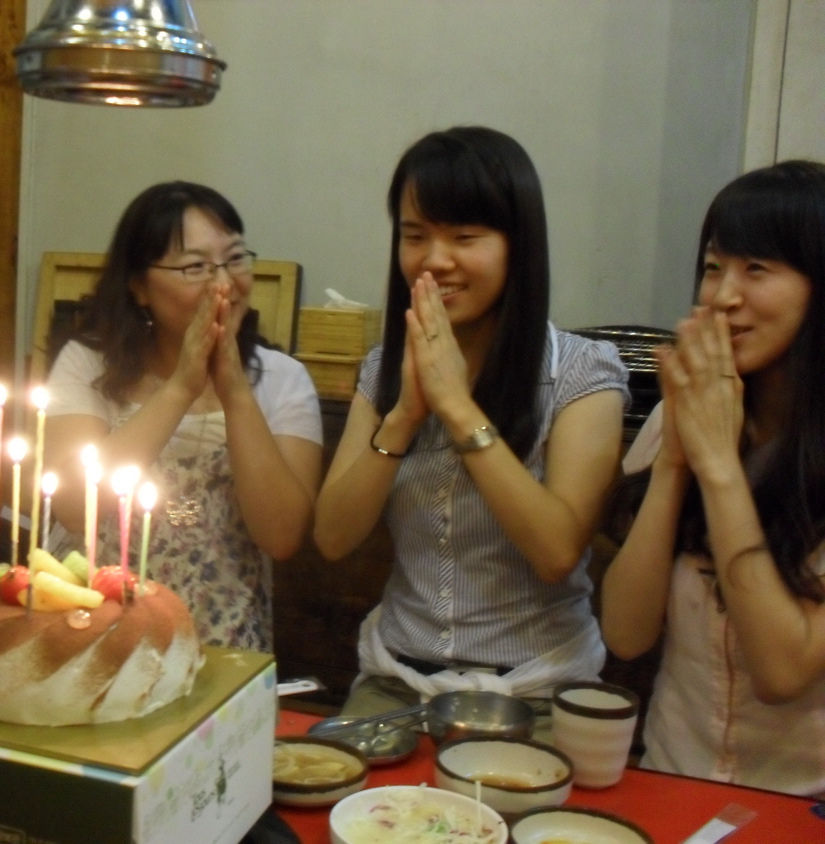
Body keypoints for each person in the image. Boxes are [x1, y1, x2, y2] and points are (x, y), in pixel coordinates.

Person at [314, 127, 629, 714]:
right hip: (395, 679)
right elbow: (333, 537)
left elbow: (557, 551)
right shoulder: (383, 369)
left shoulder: (582, 372)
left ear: (517, 246)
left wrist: (458, 408)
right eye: (415, 236)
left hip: (537, 687)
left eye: (464, 237)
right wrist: (405, 414)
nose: (435, 260)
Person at [601, 161, 825, 796]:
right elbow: (626, 633)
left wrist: (720, 468)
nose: (723, 295)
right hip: (677, 780)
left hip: (801, 806)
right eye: (712, 267)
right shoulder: (682, 416)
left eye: (756, 269)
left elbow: (782, 672)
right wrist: (675, 461)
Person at [44, 181, 322, 652]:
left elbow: (281, 536)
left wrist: (235, 391)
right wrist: (181, 387)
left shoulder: (283, 379)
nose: (224, 283)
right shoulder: (87, 364)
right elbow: (72, 507)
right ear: (139, 287)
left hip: (224, 644)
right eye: (195, 267)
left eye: (235, 259)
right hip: (96, 634)